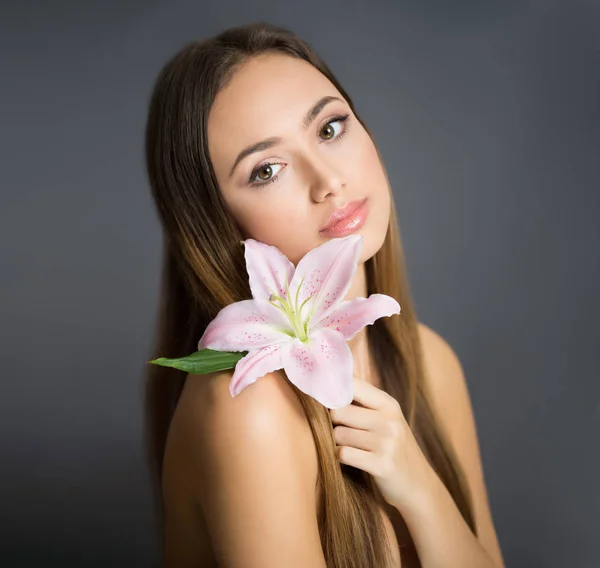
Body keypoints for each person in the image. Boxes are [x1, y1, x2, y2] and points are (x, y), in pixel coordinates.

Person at [143, 21, 505, 568]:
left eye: (331, 128)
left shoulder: (430, 362)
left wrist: (421, 491)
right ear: (217, 225)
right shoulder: (247, 410)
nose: (327, 180)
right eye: (267, 169)